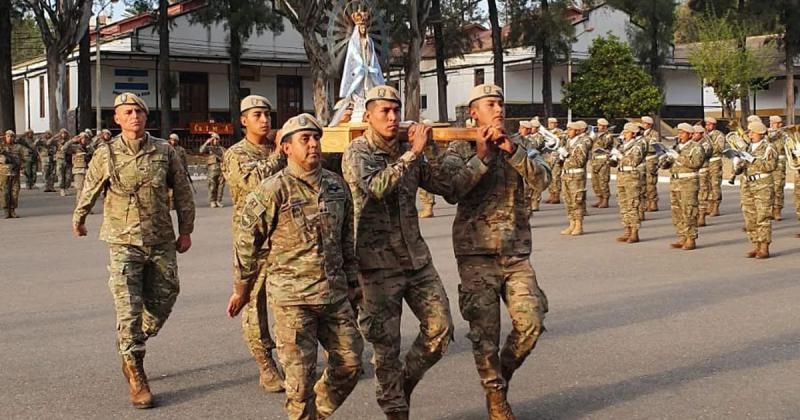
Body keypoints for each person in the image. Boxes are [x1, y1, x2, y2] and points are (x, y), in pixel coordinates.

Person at [230, 114, 363, 420]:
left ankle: (317, 412)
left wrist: (354, 282)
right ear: (287, 148)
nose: (313, 144)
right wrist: (242, 287)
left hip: (334, 295)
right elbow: (245, 240)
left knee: (351, 364)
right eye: (305, 139)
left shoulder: (336, 186)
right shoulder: (272, 189)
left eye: (316, 138)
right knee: (299, 384)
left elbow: (346, 238)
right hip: (292, 300)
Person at [342, 85, 459, 420]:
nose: (393, 118)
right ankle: (395, 410)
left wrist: (437, 151)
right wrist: (412, 154)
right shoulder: (358, 152)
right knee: (386, 348)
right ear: (369, 117)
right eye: (385, 112)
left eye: (396, 111)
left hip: (416, 261)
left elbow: (446, 187)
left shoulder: (411, 151)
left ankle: (402, 384)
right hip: (377, 266)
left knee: (441, 330)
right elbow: (377, 186)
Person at [72, 92, 195, 409]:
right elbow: (92, 187)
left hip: (160, 239)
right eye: (127, 112)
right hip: (122, 239)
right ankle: (136, 369)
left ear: (146, 116)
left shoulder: (165, 151)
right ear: (116, 118)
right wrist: (80, 217)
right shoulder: (106, 154)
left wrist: (186, 230)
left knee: (167, 295)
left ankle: (132, 337)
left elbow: (182, 191)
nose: (134, 117)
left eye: (139, 111)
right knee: (128, 307)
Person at [442, 84, 550, 420]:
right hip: (476, 254)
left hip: (516, 253)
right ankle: (496, 398)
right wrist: (483, 156)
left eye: (501, 103)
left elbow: (543, 180)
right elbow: (452, 189)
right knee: (484, 333)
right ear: (474, 111)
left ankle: (498, 378)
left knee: (531, 323)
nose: (499, 109)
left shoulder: (521, 144)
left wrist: (512, 151)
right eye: (490, 104)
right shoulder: (459, 147)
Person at [221, 95, 286, 393]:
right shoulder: (236, 153)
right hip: (253, 238)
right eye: (257, 114)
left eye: (267, 114)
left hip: (284, 235)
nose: (264, 119)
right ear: (243, 120)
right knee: (254, 302)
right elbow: (251, 185)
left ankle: (294, 354)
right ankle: (265, 364)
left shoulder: (281, 149)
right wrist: (278, 152)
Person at [734, 121, 778, 258]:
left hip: (762, 185)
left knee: (762, 216)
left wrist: (753, 160)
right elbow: (740, 168)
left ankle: (764, 247)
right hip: (747, 184)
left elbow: (770, 166)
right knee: (750, 216)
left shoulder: (769, 148)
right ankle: (755, 245)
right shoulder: (747, 148)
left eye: (752, 132)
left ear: (760, 133)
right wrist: (737, 164)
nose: (750, 135)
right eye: (749, 132)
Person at [660, 123, 704, 250]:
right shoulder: (677, 147)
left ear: (690, 134)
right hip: (675, 182)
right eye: (678, 132)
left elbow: (696, 163)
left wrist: (678, 157)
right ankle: (682, 236)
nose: (679, 135)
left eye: (682, 132)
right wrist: (665, 158)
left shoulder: (696, 147)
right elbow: (665, 166)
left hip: (688, 182)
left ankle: (691, 238)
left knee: (689, 211)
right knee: (677, 211)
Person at [610, 123, 644, 243]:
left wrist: (620, 156)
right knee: (623, 204)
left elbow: (634, 161)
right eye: (624, 132)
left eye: (627, 132)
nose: (624, 134)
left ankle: (634, 232)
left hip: (631, 176)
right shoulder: (622, 145)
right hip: (621, 175)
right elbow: (616, 162)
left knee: (632, 204)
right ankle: (627, 230)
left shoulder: (638, 145)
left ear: (634, 133)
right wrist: (613, 156)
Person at [557, 121, 590, 235]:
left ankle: (579, 225)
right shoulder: (569, 142)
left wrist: (566, 154)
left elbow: (579, 161)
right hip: (566, 174)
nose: (568, 132)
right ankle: (571, 224)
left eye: (570, 130)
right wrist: (561, 157)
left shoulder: (581, 143)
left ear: (577, 131)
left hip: (576, 176)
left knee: (577, 201)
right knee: (568, 201)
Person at [61, 132, 94, 202]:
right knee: (80, 189)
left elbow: (95, 154)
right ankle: (80, 205)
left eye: (85, 138)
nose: (84, 140)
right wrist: (72, 141)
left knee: (88, 189)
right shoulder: (75, 147)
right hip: (79, 170)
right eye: (82, 138)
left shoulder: (89, 147)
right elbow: (64, 149)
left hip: (88, 170)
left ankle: (85, 205)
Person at [767, 115, 788, 221]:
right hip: (768, 162)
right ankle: (769, 209)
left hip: (780, 162)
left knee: (778, 186)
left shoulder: (784, 134)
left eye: (779, 123)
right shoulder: (765, 133)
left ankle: (777, 210)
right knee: (768, 187)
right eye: (776, 123)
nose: (780, 125)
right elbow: (769, 138)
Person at [590, 118, 615, 208]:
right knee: (595, 182)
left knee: (603, 181)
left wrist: (595, 137)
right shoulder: (595, 135)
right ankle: (599, 198)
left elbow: (604, 144)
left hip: (603, 161)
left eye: (600, 125)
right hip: (595, 161)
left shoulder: (608, 135)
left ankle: (605, 200)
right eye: (598, 124)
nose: (598, 126)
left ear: (604, 126)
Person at [703, 117, 725, 216]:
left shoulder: (719, 135)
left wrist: (708, 145)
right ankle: (709, 205)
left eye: (710, 124)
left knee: (715, 184)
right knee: (706, 184)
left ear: (714, 125)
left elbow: (720, 148)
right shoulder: (704, 135)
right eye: (706, 124)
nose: (707, 126)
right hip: (706, 162)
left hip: (715, 161)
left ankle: (716, 207)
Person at [1, 130, 25, 218]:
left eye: (11, 136)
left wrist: (22, 167)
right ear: (5, 137)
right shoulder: (2, 147)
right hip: (3, 173)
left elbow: (23, 158)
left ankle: (12, 210)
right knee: (5, 192)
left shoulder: (18, 147)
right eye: (8, 136)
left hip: (15, 172)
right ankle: (6, 211)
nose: (10, 138)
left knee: (15, 192)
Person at [692, 125, 712, 227]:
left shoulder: (705, 144)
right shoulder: (692, 143)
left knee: (702, 194)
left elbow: (702, 155)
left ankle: (702, 216)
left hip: (703, 171)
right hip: (693, 172)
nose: (693, 135)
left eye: (695, 133)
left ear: (701, 134)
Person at [640, 116, 661, 212]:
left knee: (650, 181)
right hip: (642, 160)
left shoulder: (654, 134)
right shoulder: (640, 134)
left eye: (644, 123)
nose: (642, 124)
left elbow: (654, 147)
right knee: (641, 181)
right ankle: (644, 202)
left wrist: (643, 145)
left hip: (650, 159)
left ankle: (652, 202)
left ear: (649, 124)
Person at [200, 132, 226, 207]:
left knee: (221, 187)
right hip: (212, 171)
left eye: (216, 139)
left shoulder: (222, 149)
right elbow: (201, 150)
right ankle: (212, 201)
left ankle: (218, 200)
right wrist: (206, 142)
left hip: (221, 170)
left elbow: (227, 158)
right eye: (213, 139)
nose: (215, 140)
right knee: (212, 186)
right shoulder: (209, 148)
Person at [525, 118, 546, 211]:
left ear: (537, 128)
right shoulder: (527, 137)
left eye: (532, 127)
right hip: (528, 162)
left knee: (536, 183)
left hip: (536, 162)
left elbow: (535, 145)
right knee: (528, 183)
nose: (530, 129)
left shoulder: (539, 137)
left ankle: (535, 202)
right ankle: (529, 201)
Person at [544, 117, 563, 204]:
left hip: (555, 157)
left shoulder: (559, 133)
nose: (550, 124)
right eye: (549, 122)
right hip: (547, 157)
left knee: (555, 177)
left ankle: (556, 195)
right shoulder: (546, 132)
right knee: (549, 177)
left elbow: (560, 144)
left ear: (556, 124)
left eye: (552, 123)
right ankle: (551, 194)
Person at [55, 128, 72, 196]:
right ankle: (62, 189)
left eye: (65, 133)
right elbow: (48, 143)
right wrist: (55, 136)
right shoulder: (57, 141)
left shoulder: (69, 141)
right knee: (61, 175)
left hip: (68, 159)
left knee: (68, 176)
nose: (63, 134)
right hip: (60, 159)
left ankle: (66, 187)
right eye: (62, 133)